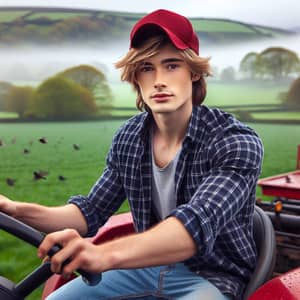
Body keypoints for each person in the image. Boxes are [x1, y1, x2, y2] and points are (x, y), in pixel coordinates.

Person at [0, 9, 263, 300]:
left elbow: (193, 229)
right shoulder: (129, 138)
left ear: (195, 71)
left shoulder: (236, 141)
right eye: (147, 68)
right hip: (145, 268)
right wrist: (15, 210)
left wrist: (103, 255)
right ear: (135, 77)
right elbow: (89, 213)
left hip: (213, 277)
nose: (159, 80)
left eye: (172, 65)